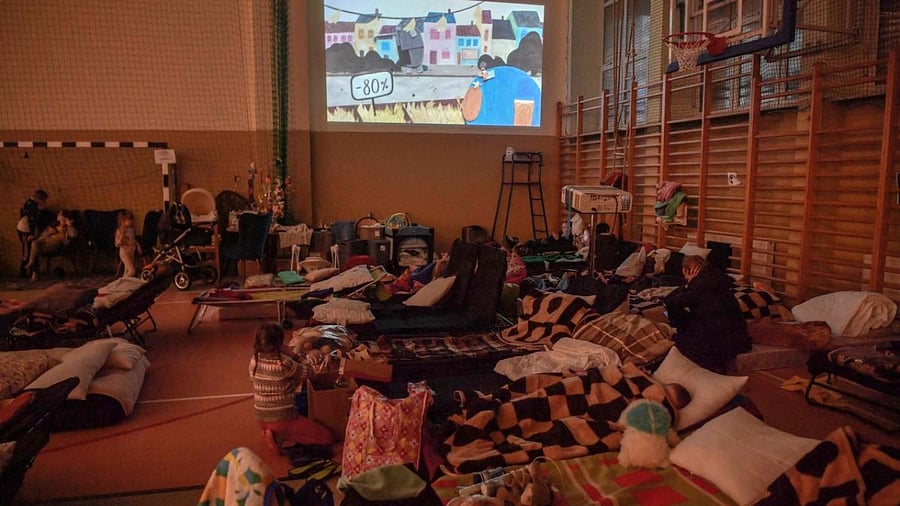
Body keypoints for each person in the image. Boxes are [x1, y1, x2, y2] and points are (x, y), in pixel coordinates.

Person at [249, 322, 333, 455]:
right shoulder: (284, 363)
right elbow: (311, 372)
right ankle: (280, 436)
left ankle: (270, 432)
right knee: (326, 437)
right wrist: (294, 355)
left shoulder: (255, 359)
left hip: (261, 417)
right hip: (282, 418)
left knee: (300, 410)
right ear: (280, 343)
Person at [663, 255, 751, 372]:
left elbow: (669, 302)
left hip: (716, 341)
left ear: (686, 271)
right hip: (739, 338)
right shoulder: (720, 280)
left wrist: (686, 285)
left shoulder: (699, 286)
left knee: (673, 311)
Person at [23, 209, 78, 280]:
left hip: (56, 244)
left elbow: (74, 235)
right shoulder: (54, 225)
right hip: (46, 242)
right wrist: (47, 234)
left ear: (64, 216)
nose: (58, 215)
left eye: (60, 214)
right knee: (35, 244)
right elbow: (43, 234)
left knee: (36, 249)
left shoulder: (68, 226)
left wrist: (69, 224)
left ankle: (32, 266)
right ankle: (32, 264)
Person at [16, 189, 49, 277]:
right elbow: (31, 221)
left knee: (30, 250)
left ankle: (29, 272)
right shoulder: (32, 206)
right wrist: (31, 233)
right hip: (25, 230)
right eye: (43, 200)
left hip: (25, 229)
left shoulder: (30, 204)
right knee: (27, 251)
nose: (44, 202)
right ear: (39, 198)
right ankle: (23, 273)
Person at [115, 210, 141, 278]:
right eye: (128, 219)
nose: (131, 221)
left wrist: (138, 246)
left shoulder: (132, 230)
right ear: (122, 221)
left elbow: (133, 239)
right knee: (132, 271)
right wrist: (122, 236)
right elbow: (117, 243)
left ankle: (125, 282)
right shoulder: (120, 231)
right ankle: (123, 281)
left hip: (131, 252)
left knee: (127, 270)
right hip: (124, 253)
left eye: (131, 219)